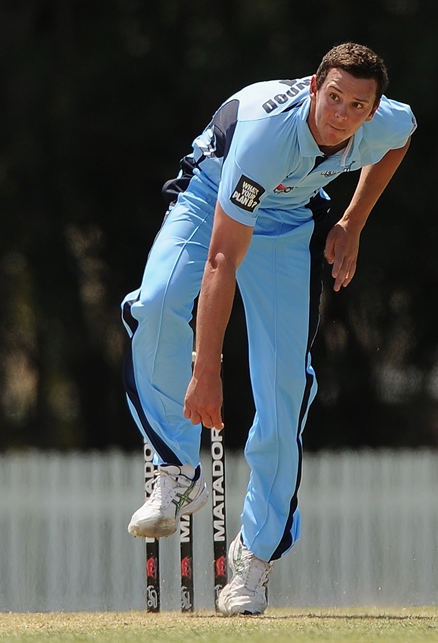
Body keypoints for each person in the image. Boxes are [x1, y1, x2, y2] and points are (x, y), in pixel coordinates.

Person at [120, 42, 416, 615]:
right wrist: (206, 373)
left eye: (359, 106)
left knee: (284, 388)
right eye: (334, 99)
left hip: (287, 221)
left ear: (373, 107)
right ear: (313, 87)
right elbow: (222, 261)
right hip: (212, 197)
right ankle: (176, 467)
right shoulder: (265, 136)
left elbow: (401, 139)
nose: (342, 117)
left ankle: (252, 562)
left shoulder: (385, 122)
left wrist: (352, 222)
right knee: (154, 305)